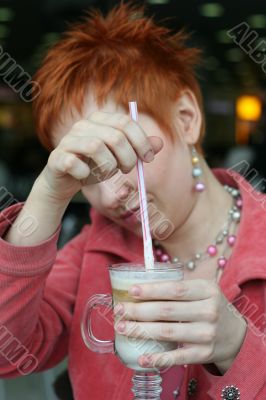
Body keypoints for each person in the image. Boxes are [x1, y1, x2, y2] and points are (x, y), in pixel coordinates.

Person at [0, 4, 265, 400]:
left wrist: (240, 350)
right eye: (86, 170)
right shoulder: (92, 251)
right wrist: (48, 194)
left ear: (187, 118)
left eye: (124, 152)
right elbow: (9, 353)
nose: (109, 195)